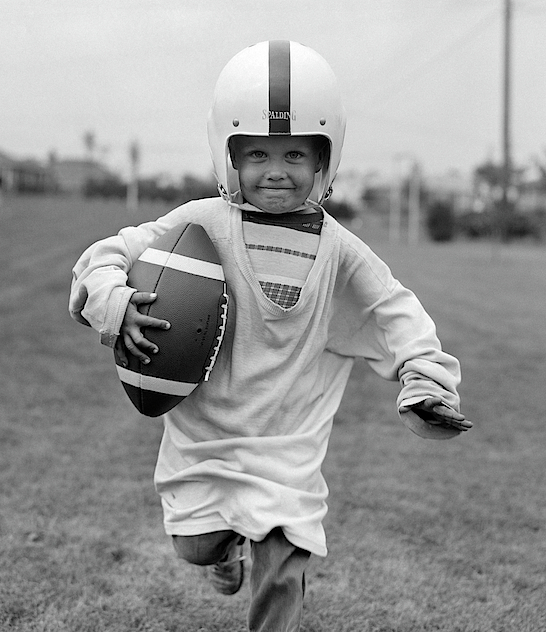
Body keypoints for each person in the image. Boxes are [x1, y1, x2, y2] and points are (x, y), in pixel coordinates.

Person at [69, 40, 472, 632]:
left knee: (285, 559)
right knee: (195, 546)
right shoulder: (200, 222)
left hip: (288, 444)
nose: (276, 170)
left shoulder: (339, 249)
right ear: (226, 153)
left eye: (294, 154)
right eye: (256, 153)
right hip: (207, 437)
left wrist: (426, 378)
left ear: (324, 160)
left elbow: (394, 309)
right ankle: (222, 551)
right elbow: (107, 255)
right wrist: (117, 303)